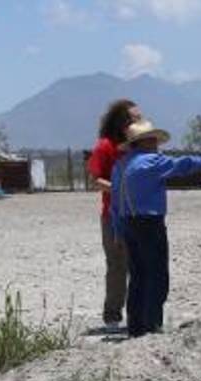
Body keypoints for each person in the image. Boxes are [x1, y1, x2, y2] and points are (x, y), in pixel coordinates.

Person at [110, 120, 201, 337]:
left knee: (138, 276)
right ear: (145, 142)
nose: (157, 144)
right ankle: (152, 326)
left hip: (128, 223)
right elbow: (184, 164)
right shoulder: (152, 161)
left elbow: (115, 202)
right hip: (149, 223)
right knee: (157, 275)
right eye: (153, 140)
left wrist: (118, 231)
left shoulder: (119, 166)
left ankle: (136, 327)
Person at [87, 99, 141, 330]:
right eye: (135, 118)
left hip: (139, 214)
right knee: (117, 266)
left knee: (139, 264)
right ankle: (112, 316)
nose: (139, 122)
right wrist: (119, 189)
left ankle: (140, 313)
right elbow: (96, 180)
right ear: (122, 121)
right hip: (114, 215)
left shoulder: (140, 146)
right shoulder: (105, 146)